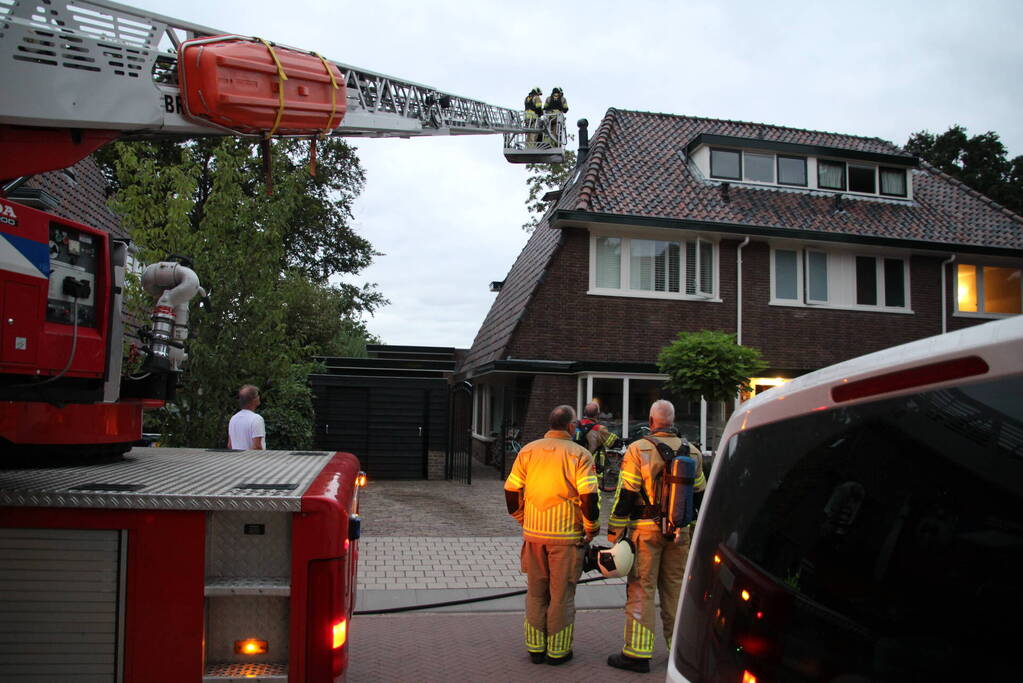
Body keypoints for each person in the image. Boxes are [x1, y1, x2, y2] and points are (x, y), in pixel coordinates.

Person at [606, 399, 705, 673]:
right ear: (672, 422)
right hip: (679, 533)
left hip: (646, 532)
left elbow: (626, 493)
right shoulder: (693, 452)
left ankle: (637, 654)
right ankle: (679, 652)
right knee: (675, 591)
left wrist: (614, 531)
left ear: (651, 421)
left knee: (641, 588)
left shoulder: (638, 450)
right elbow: (699, 497)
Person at [504, 405, 600, 665]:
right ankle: (558, 652)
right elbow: (589, 497)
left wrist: (523, 519)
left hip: (533, 537)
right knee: (561, 595)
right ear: (571, 427)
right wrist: (591, 528)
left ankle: (535, 649)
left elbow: (511, 491)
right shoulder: (579, 455)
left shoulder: (528, 451)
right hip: (566, 539)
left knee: (535, 593)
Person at [574, 401, 619, 473]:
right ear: (598, 414)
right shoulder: (599, 429)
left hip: (575, 463)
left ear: (584, 412)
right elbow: (613, 443)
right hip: (591, 466)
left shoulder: (575, 425)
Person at [227, 384, 266, 450]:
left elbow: (230, 445)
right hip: (252, 460)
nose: (259, 397)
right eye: (258, 395)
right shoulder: (257, 419)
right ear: (254, 400)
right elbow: (257, 447)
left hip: (235, 459)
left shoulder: (233, 418)